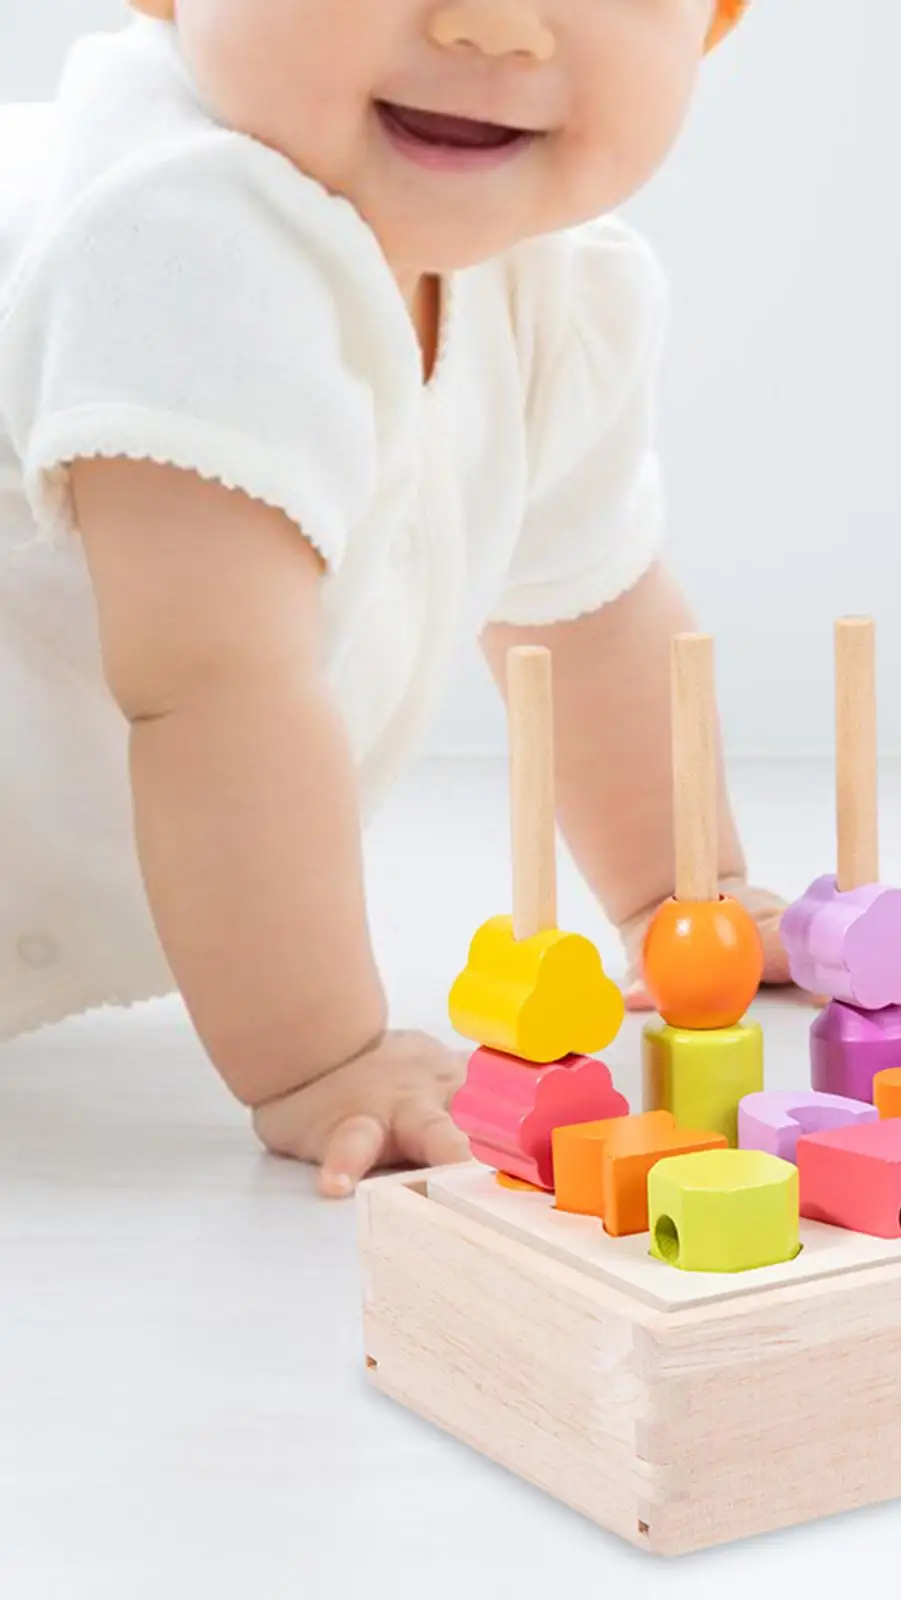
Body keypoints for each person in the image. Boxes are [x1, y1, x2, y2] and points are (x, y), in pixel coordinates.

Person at [0, 0, 799, 1197]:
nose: (492, 28)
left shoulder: (551, 275)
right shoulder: (179, 236)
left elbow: (588, 611)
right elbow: (215, 690)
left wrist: (692, 901)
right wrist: (320, 1059)